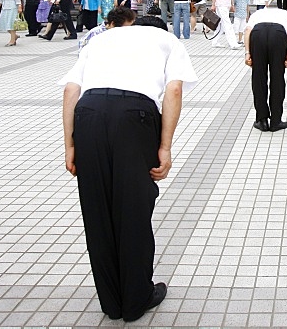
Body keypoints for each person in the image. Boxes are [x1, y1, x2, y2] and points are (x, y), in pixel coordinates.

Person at [60, 16, 198, 322]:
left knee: (97, 209)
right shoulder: (168, 40)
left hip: (88, 113)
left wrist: (70, 144)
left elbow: (72, 89)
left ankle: (111, 301)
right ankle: (136, 299)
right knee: (133, 208)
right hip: (134, 116)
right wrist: (165, 146)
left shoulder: (101, 39)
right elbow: (173, 91)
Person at [244, 5, 287, 133]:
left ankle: (262, 120)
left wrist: (247, 52)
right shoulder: (285, 14)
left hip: (258, 34)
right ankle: (276, 121)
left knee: (258, 77)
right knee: (277, 77)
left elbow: (247, 31)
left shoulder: (257, 14)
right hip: (278, 36)